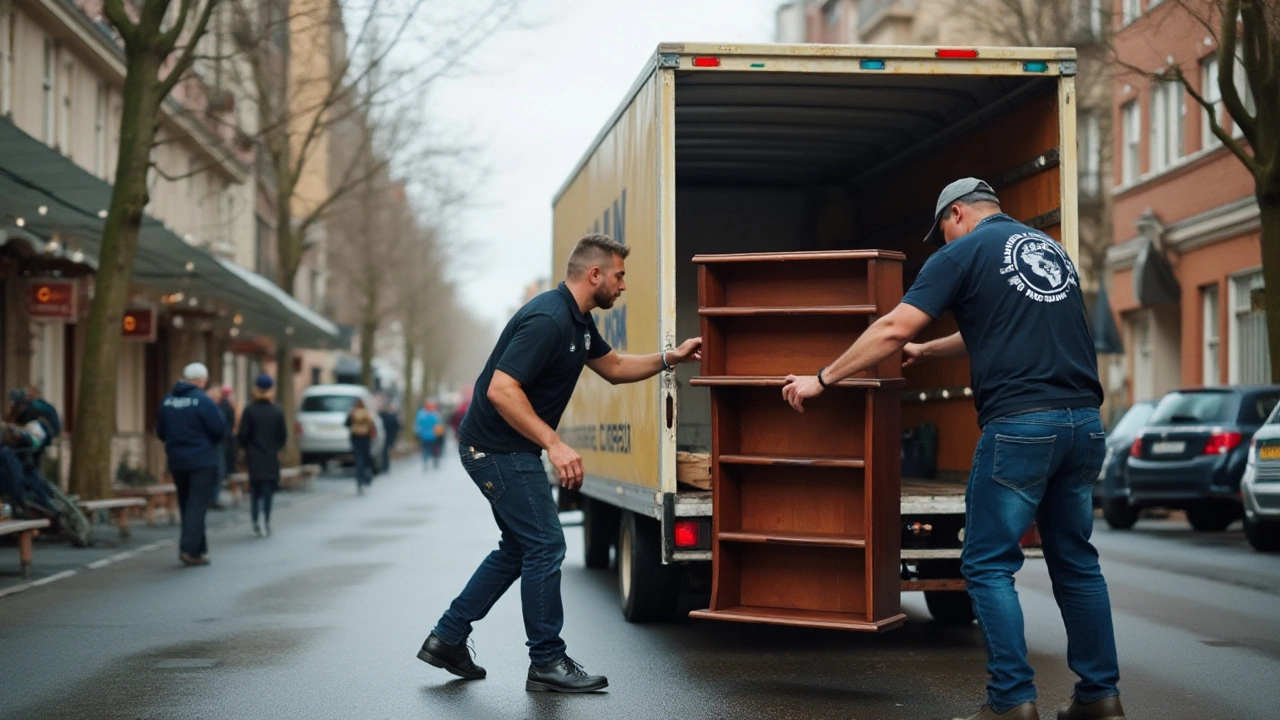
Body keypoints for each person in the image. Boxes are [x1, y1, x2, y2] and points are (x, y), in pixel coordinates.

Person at [781, 179, 1121, 720]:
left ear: (957, 214)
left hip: (1020, 427)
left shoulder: (960, 253)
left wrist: (825, 378)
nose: (941, 240)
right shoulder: (1047, 250)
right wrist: (930, 348)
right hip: (1083, 424)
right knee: (1077, 565)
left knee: (986, 566)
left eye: (941, 229)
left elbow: (893, 326)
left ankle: (1012, 703)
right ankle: (1100, 698)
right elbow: (992, 326)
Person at [417, 234, 702, 694]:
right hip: (496, 450)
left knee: (519, 548)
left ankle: (447, 637)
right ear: (595, 275)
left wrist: (672, 356)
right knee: (547, 546)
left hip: (505, 448)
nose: (623, 285)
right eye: (619, 275)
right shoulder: (549, 319)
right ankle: (546, 661)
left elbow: (614, 368)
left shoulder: (579, 321)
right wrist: (556, 444)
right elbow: (501, 389)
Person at [156, 362, 227, 567]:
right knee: (197, 505)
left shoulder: (168, 401)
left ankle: (198, 549)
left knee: (187, 504)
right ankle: (188, 549)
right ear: (200, 381)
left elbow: (160, 431)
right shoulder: (203, 401)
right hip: (201, 460)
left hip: (177, 461)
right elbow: (219, 429)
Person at [237, 374, 287, 537]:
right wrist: (276, 448)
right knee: (268, 491)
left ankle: (255, 522)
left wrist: (248, 448)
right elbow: (283, 436)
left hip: (254, 456)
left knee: (255, 492)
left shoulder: (249, 410)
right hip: (271, 456)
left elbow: (243, 435)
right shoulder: (277, 411)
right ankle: (266, 520)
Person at [345, 398, 376, 495]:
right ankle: (366, 477)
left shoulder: (353, 412)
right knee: (366, 458)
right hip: (365, 438)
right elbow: (372, 425)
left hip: (356, 438)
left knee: (359, 459)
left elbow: (346, 424)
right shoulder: (367, 412)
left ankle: (360, 480)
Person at [414, 400, 444, 471]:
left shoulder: (422, 414)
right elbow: (438, 424)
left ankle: (429, 461)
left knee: (429, 449)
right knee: (428, 449)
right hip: (428, 435)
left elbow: (417, 425)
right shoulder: (432, 414)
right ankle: (429, 461)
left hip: (430, 435)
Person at [379, 401, 402, 474]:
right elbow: (397, 426)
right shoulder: (390, 417)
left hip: (386, 436)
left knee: (385, 451)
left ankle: (385, 466)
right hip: (388, 436)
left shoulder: (383, 416)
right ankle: (385, 466)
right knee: (385, 451)